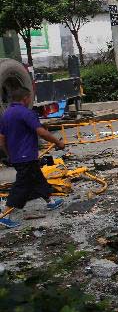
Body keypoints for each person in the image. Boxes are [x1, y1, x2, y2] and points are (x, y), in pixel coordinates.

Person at [0, 87, 65, 229]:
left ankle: (50, 201)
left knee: (37, 178)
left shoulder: (6, 115)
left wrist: (9, 154)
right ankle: (5, 215)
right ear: (25, 98)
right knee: (21, 185)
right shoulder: (26, 113)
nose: (30, 100)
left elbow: (1, 139)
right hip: (27, 156)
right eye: (30, 98)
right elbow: (41, 132)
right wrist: (57, 142)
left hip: (17, 157)